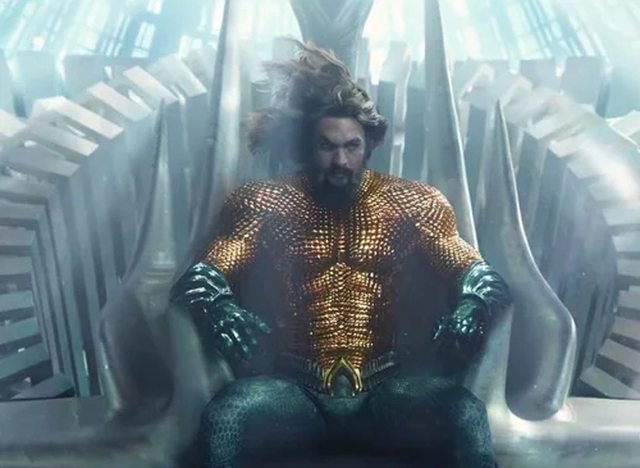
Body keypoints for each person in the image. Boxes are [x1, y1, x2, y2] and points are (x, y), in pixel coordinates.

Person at [172, 41, 510, 468]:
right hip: (298, 389)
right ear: (306, 147)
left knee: (465, 413)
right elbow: (205, 273)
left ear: (370, 145)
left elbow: (475, 270)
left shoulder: (412, 202)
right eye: (327, 146)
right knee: (228, 415)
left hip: (383, 389)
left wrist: (471, 303)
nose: (341, 160)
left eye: (351, 146)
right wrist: (220, 305)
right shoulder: (264, 202)